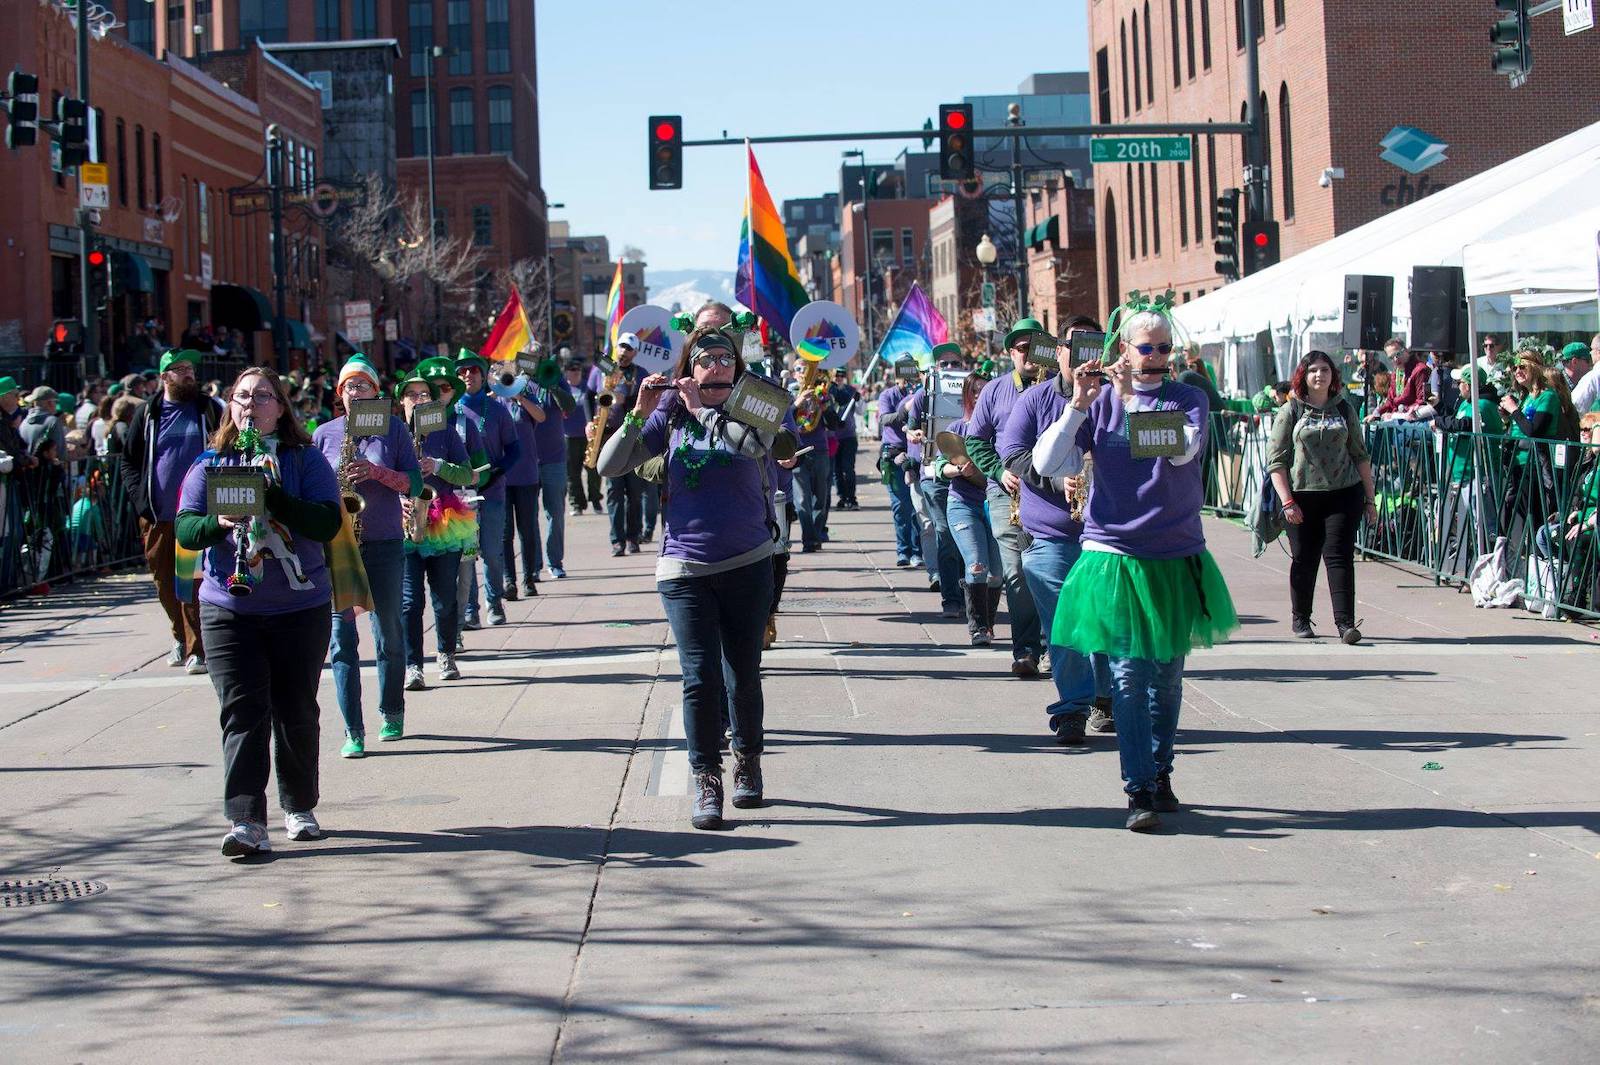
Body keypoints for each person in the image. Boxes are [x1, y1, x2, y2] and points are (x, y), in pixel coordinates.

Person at [1034, 297, 1239, 832]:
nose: (1157, 356)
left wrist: (1131, 399)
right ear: (1122, 348)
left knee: (1167, 677)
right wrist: (1079, 404)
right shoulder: (1097, 401)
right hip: (1114, 554)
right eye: (1146, 346)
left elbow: (1179, 450)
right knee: (1127, 674)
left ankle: (1162, 770)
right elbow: (1046, 463)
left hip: (1174, 551)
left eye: (1164, 347)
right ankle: (1139, 787)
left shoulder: (1188, 397)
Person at [597, 327, 779, 830]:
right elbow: (609, 467)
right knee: (699, 678)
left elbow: (752, 449)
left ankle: (747, 761)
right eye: (705, 358)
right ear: (689, 367)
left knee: (742, 673)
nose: (716, 366)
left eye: (725, 358)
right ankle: (706, 776)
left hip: (747, 560)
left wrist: (704, 410)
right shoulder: (668, 413)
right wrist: (639, 409)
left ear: (736, 365)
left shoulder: (755, 400)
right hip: (683, 568)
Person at [175, 365, 342, 856]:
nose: (251, 404)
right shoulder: (210, 464)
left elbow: (327, 522)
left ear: (281, 407)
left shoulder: (304, 460)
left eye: (263, 396)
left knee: (295, 710)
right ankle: (246, 820)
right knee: (243, 713)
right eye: (242, 396)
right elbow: (185, 528)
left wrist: (275, 498)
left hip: (299, 604)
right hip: (229, 608)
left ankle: (299, 805)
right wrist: (217, 523)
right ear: (230, 405)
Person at [998, 314, 1117, 740]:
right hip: (1050, 534)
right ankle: (1072, 706)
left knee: (1103, 621)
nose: (1085, 357)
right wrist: (1054, 480)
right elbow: (1011, 454)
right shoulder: (1035, 401)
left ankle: (1105, 699)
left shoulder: (1116, 398)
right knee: (1065, 623)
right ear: (1059, 353)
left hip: (1105, 534)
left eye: (1093, 348)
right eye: (1075, 347)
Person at [314, 356, 420, 756]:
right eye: (348, 387)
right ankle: (352, 730)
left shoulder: (393, 429)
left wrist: (377, 473)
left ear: (376, 392)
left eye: (363, 385)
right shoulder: (323, 434)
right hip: (339, 546)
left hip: (384, 542)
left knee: (388, 632)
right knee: (341, 638)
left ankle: (391, 710)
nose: (355, 392)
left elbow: (414, 483)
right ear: (339, 395)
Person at [119, 349, 224, 673]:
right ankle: (179, 635)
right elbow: (129, 461)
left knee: (192, 580)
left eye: (191, 368)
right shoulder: (148, 414)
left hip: (199, 513)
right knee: (165, 583)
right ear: (164, 377)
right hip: (159, 515)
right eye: (180, 369)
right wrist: (141, 500)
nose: (189, 374)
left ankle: (198, 650)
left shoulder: (208, 408)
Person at [1266, 350, 1378, 644]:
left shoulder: (1344, 408)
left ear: (1333, 375)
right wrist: (1287, 501)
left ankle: (1346, 625)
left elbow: (1360, 455)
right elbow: (1276, 461)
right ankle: (1300, 617)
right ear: (1304, 375)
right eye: (1313, 370)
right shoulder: (1290, 411)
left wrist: (1370, 499)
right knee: (1304, 558)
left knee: (1340, 557)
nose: (1320, 375)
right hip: (1301, 496)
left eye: (1325, 369)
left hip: (1343, 493)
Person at [963, 317, 1052, 679]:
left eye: (1037, 347)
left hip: (1055, 496)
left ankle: (1052, 646)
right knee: (1017, 572)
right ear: (1011, 353)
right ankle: (1027, 651)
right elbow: (974, 440)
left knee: (1052, 570)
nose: (1030, 355)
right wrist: (999, 471)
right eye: (1022, 348)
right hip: (1008, 493)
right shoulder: (995, 391)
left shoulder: (1059, 387)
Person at [397, 368, 477, 689]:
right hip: (404, 521)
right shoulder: (393, 432)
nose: (418, 400)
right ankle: (413, 665)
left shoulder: (445, 431)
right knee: (409, 601)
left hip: (443, 519)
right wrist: (395, 499)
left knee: (445, 596)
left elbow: (470, 474)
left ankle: (445, 654)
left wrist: (438, 466)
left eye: (425, 395)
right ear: (401, 401)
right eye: (412, 395)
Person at [456, 350, 520, 627]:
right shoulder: (451, 411)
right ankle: (470, 610)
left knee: (492, 552)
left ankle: (494, 603)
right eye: (462, 371)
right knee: (467, 555)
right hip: (460, 496)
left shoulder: (497, 409)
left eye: (473, 370)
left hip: (492, 492)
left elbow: (515, 450)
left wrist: (497, 473)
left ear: (483, 375)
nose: (468, 375)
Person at [941, 372, 1002, 645]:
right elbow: (940, 468)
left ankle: (988, 624)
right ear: (967, 396)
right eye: (975, 391)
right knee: (977, 564)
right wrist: (957, 469)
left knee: (997, 572)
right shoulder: (958, 428)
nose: (980, 396)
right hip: (963, 504)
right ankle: (978, 628)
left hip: (995, 503)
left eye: (985, 391)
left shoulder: (1002, 428)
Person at [907, 348, 966, 616]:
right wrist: (915, 434)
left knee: (966, 536)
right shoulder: (925, 393)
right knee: (945, 534)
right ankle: (951, 599)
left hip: (968, 475)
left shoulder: (972, 389)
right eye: (945, 363)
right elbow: (908, 427)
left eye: (955, 362)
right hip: (934, 475)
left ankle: (969, 594)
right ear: (936, 367)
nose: (950, 366)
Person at [1498, 354, 1581, 536]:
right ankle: (1505, 548)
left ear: (1535, 368)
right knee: (1511, 507)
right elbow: (1521, 427)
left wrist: (1514, 410)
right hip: (1519, 461)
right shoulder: (1528, 396)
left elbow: (1533, 431)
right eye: (1514, 368)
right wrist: (1508, 416)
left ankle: (1538, 557)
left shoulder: (1548, 396)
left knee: (1535, 514)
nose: (1517, 371)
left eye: (1522, 367)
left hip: (1536, 463)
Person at [1434, 365, 1504, 578]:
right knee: (1475, 524)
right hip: (1463, 472)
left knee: (1485, 524)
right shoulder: (1466, 402)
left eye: (1460, 383)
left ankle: (1493, 572)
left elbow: (1464, 425)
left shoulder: (1482, 404)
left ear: (1470, 384)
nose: (1457, 387)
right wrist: (1440, 411)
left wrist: (1439, 421)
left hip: (1478, 473)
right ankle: (1479, 571)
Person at [588, 333, 647, 556]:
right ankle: (616, 540)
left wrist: (627, 401)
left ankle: (633, 537)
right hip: (607, 436)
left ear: (635, 353)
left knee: (633, 492)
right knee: (614, 492)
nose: (624, 352)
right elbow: (588, 395)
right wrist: (588, 421)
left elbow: (647, 402)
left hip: (632, 438)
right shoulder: (602, 369)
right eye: (621, 347)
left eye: (628, 349)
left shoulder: (639, 374)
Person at [496, 364, 546, 601]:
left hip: (527, 475)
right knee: (506, 533)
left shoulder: (526, 397)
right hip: (502, 478)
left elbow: (541, 416)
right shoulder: (495, 402)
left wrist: (519, 397)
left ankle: (529, 578)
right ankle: (509, 581)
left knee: (527, 530)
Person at [530, 371, 573, 578]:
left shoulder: (555, 377)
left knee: (555, 513)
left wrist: (554, 384)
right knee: (528, 517)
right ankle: (534, 565)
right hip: (527, 460)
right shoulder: (518, 381)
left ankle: (555, 562)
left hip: (554, 459)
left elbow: (569, 406)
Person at [875, 374, 921, 567]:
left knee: (917, 508)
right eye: (903, 375)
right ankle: (904, 550)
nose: (908, 380)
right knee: (900, 506)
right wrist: (905, 409)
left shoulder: (921, 393)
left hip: (915, 453)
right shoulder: (887, 395)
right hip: (893, 454)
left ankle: (918, 552)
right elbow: (884, 419)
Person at [561, 357, 597, 516]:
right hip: (569, 436)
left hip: (588, 435)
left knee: (593, 469)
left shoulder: (586, 388)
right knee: (572, 473)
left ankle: (595, 499)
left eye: (578, 370)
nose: (576, 373)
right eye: (572, 370)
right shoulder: (563, 388)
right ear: (566, 372)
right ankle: (577, 503)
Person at [830, 367, 861, 509]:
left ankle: (852, 498)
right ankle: (842, 497)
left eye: (841, 374)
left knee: (848, 468)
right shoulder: (827, 390)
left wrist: (859, 400)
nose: (838, 377)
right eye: (836, 375)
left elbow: (861, 411)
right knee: (837, 470)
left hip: (848, 436)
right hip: (833, 436)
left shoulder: (851, 390)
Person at [1560, 339, 1599, 414]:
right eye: (1588, 360)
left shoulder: (1587, 383)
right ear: (1574, 362)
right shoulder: (1557, 384)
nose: (1591, 364)